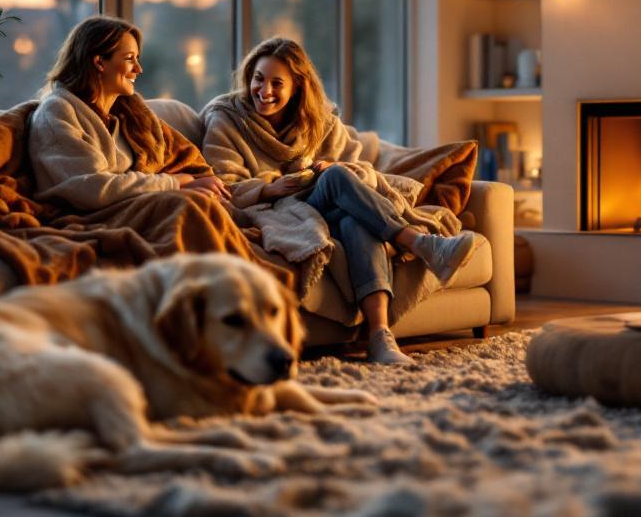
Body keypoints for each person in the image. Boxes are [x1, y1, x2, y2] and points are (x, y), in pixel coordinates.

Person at [201, 37, 477, 365]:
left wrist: (332, 168)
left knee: (350, 212)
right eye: (259, 79)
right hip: (280, 209)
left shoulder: (321, 122)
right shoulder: (228, 119)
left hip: (330, 203)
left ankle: (380, 337)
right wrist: (269, 189)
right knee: (341, 193)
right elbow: (225, 184)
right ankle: (420, 244)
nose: (265, 90)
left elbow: (361, 170)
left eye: (277, 83)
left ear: (297, 87)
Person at [28, 15, 232, 210]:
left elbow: (184, 158)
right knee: (191, 206)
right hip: (88, 215)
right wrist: (174, 183)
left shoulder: (129, 115)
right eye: (129, 59)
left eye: (137, 58)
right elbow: (92, 188)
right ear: (99, 62)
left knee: (211, 200)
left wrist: (195, 182)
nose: (139, 69)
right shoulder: (58, 111)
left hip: (130, 204)